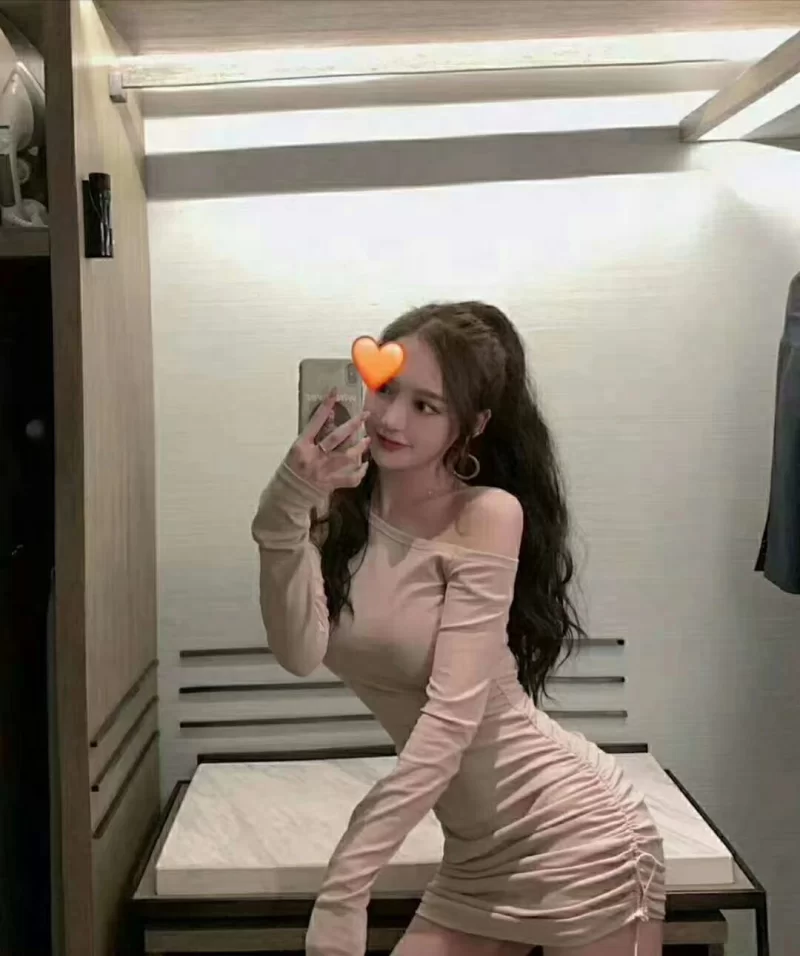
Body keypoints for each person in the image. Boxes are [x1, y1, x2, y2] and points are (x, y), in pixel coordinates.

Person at [252, 302, 666, 956]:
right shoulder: (336, 512)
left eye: (426, 406)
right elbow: (299, 652)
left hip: (577, 834)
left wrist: (345, 887)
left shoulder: (485, 516)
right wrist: (285, 508)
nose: (391, 419)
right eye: (386, 390)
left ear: (471, 427)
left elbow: (449, 721)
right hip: (474, 858)